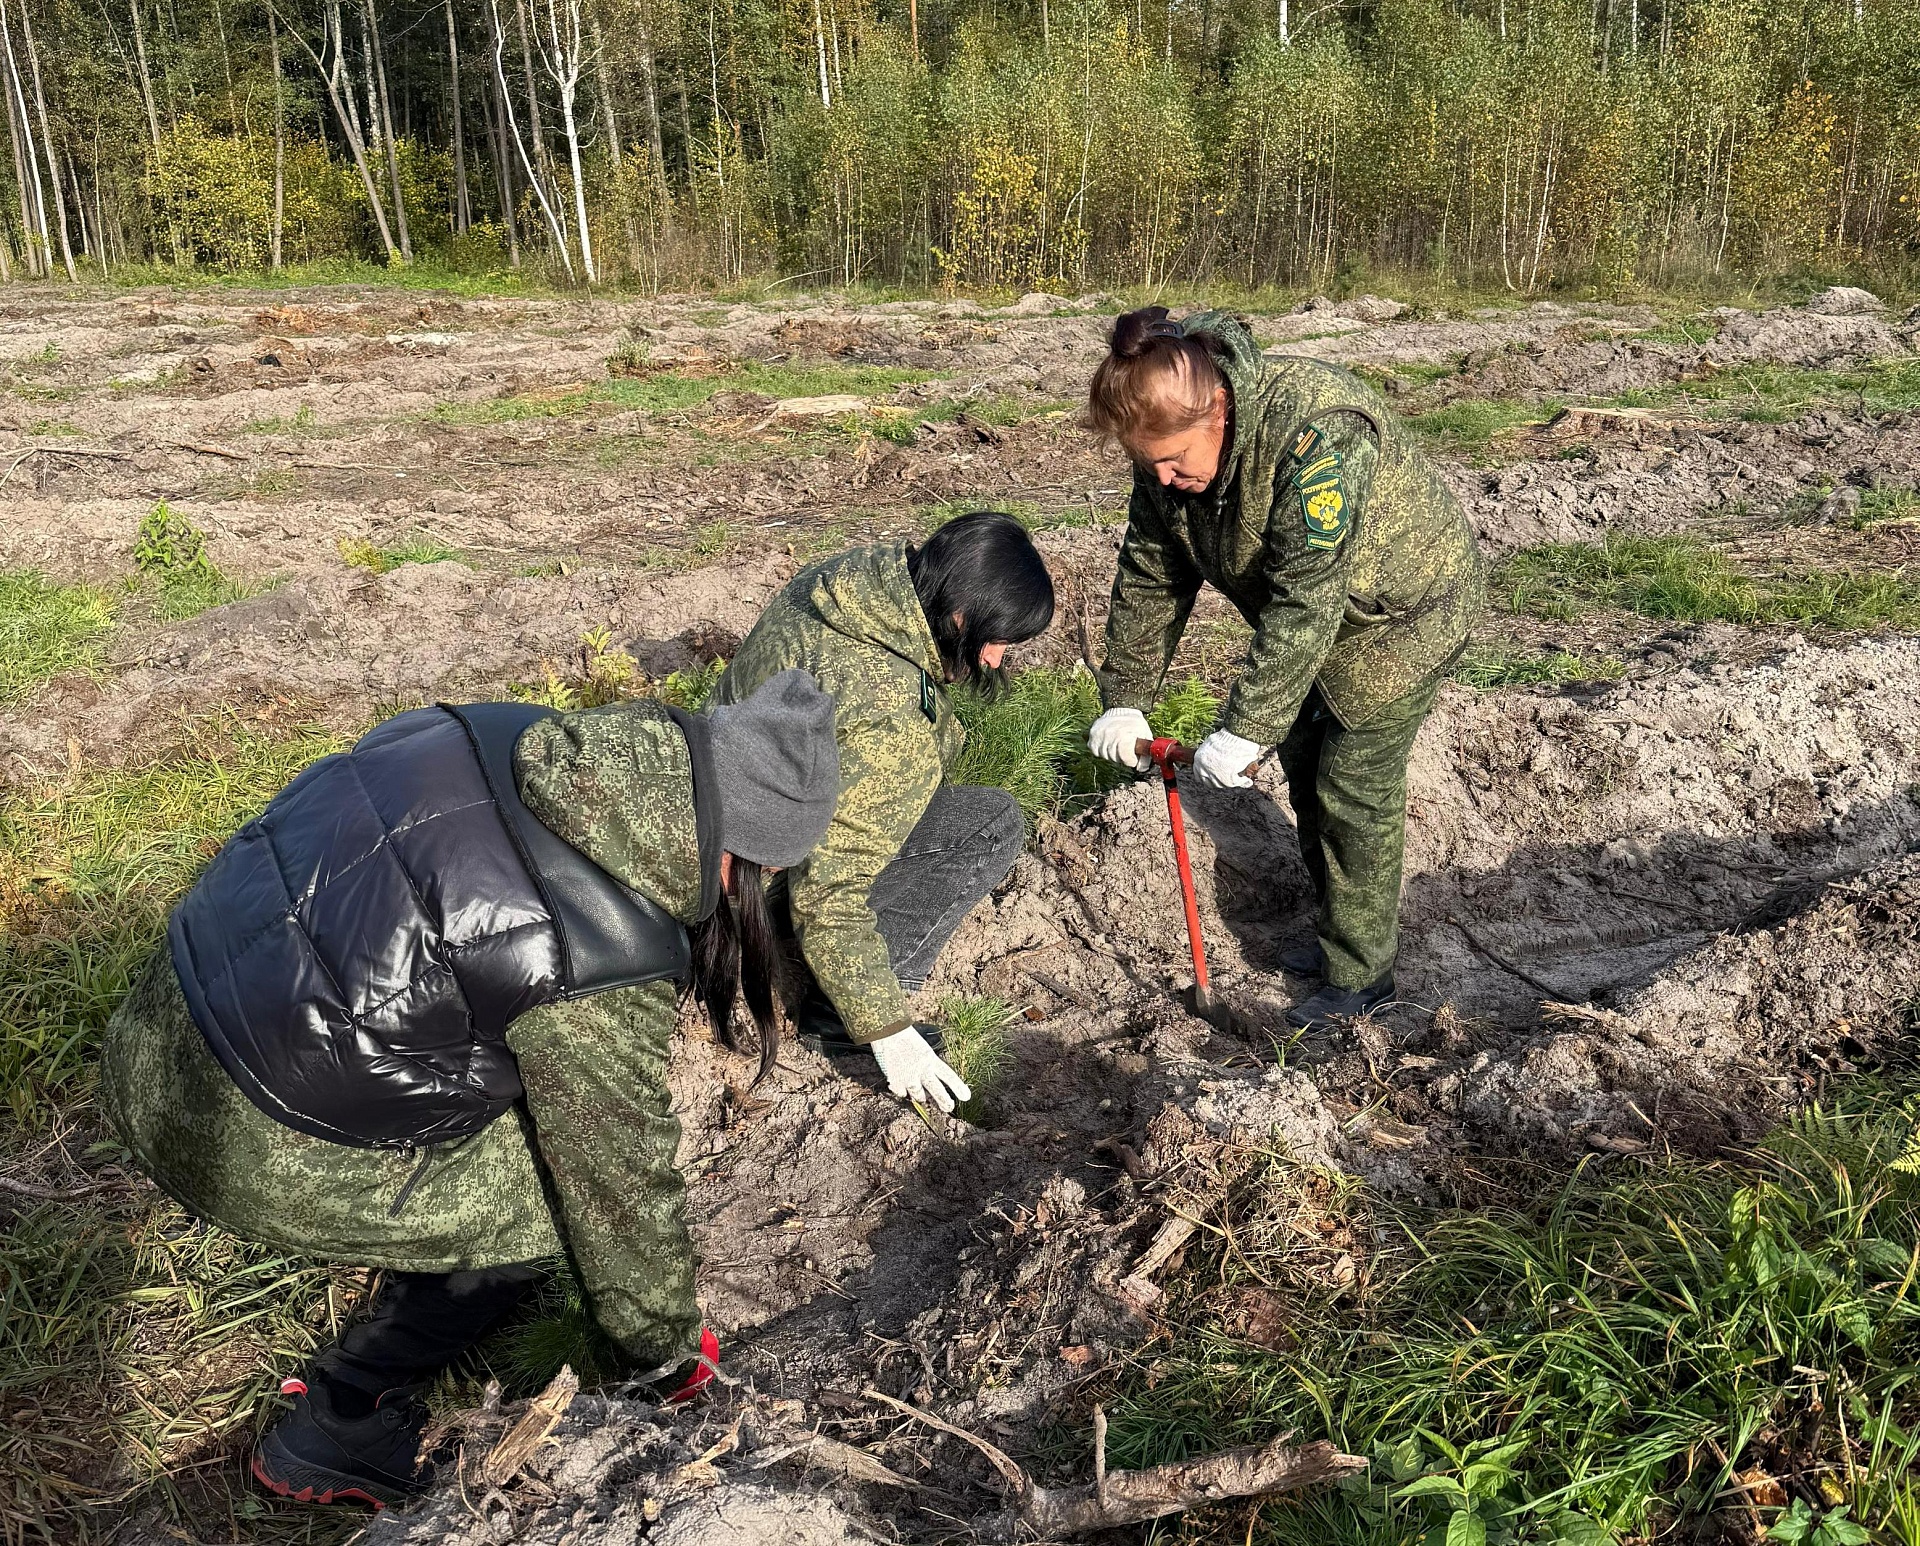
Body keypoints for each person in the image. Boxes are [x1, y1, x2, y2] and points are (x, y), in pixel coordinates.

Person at [100, 670, 842, 1508]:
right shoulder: (597, 947)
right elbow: (619, 1192)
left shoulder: (514, 732)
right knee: (550, 1213)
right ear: (740, 852)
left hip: (165, 1005)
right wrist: (673, 1355)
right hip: (222, 1120)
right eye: (773, 876)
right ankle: (343, 1418)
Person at [1082, 307, 1484, 1029]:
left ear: (1218, 411)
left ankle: (1362, 977)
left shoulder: (1317, 430)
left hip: (1400, 616)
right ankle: (1337, 933)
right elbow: (1150, 572)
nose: (1165, 479)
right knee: (1303, 763)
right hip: (1314, 617)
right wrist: (1126, 698)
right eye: (1150, 466)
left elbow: (1308, 596)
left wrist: (1245, 727)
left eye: (1175, 461)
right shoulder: (1167, 463)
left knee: (1349, 783)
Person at [711, 511, 1055, 1109]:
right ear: (959, 615)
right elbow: (830, 894)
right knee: (989, 823)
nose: (997, 661)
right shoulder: (889, 715)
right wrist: (887, 1029)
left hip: (720, 824)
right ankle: (834, 1013)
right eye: (997, 641)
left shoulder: (852, 587)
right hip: (751, 885)